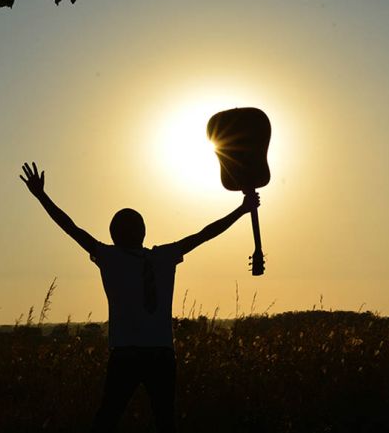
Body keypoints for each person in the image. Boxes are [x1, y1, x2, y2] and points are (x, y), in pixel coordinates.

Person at [19, 161, 259, 433]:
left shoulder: (113, 257)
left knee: (111, 419)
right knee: (159, 421)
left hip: (130, 354)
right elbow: (204, 234)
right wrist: (241, 210)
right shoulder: (160, 256)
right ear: (142, 232)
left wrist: (41, 197)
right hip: (157, 354)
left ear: (114, 234)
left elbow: (71, 228)